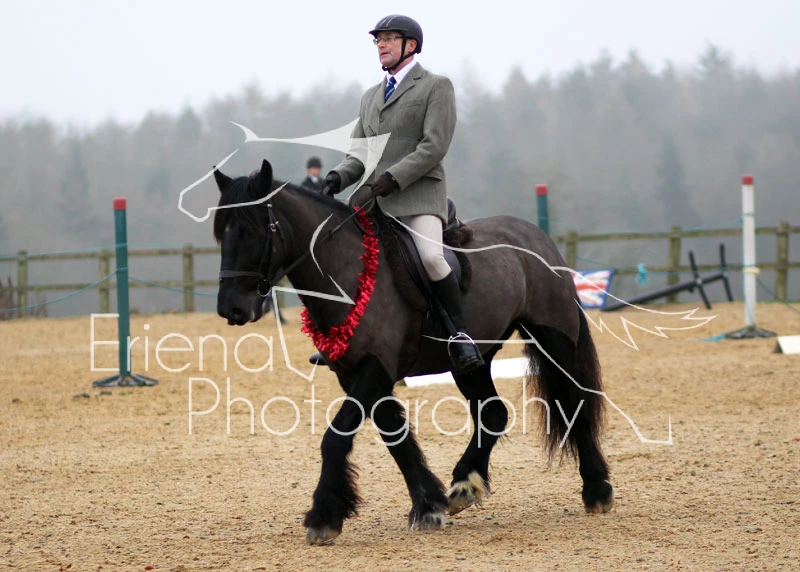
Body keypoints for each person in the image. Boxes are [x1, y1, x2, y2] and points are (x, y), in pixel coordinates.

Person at [316, 14, 483, 375]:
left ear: (411, 45)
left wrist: (395, 177)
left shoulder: (436, 87)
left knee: (431, 258)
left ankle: (459, 336)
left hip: (418, 196)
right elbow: (360, 154)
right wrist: (337, 177)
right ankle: (339, 336)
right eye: (379, 40)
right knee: (336, 252)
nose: (382, 45)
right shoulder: (370, 97)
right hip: (373, 199)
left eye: (390, 38)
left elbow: (434, 146)